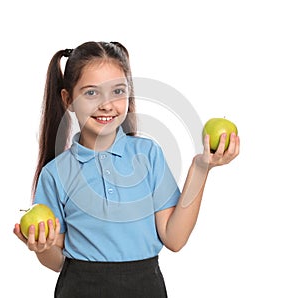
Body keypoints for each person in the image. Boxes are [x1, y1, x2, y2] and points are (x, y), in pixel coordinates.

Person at [13, 41, 240, 298]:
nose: (106, 105)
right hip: (79, 288)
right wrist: (42, 247)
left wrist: (201, 168)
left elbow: (174, 239)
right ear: (68, 100)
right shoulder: (55, 173)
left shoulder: (148, 155)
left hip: (146, 287)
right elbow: (57, 262)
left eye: (117, 91)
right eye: (91, 93)